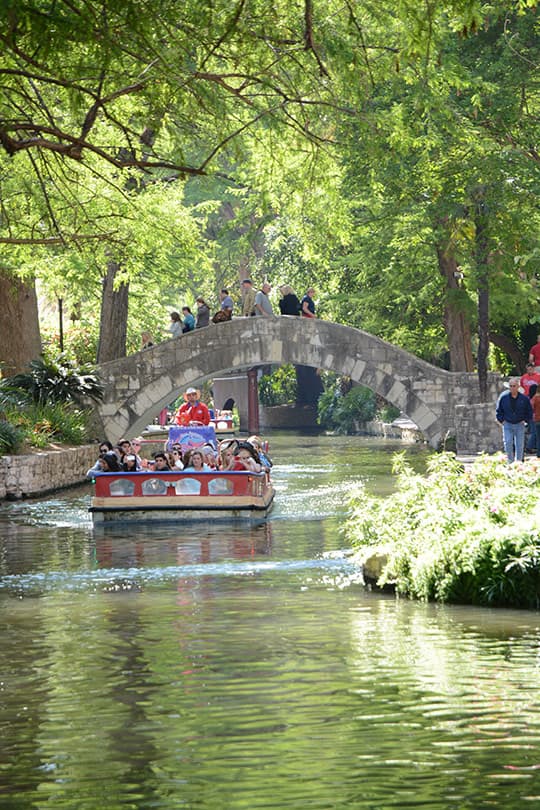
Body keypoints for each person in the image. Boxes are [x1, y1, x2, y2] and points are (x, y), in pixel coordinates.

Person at [496, 377, 533, 463]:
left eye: (514, 386)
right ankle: (510, 462)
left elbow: (529, 411)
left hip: (519, 424)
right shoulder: (503, 397)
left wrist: (526, 420)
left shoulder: (524, 398)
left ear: (518, 386)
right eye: (510, 386)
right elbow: (499, 410)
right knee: (508, 443)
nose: (512, 388)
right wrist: (502, 421)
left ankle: (519, 463)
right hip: (507, 424)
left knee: (519, 445)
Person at [531, 385, 540, 458]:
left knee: (538, 438)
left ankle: (539, 454)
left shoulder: (535, 397)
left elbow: (531, 407)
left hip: (537, 419)